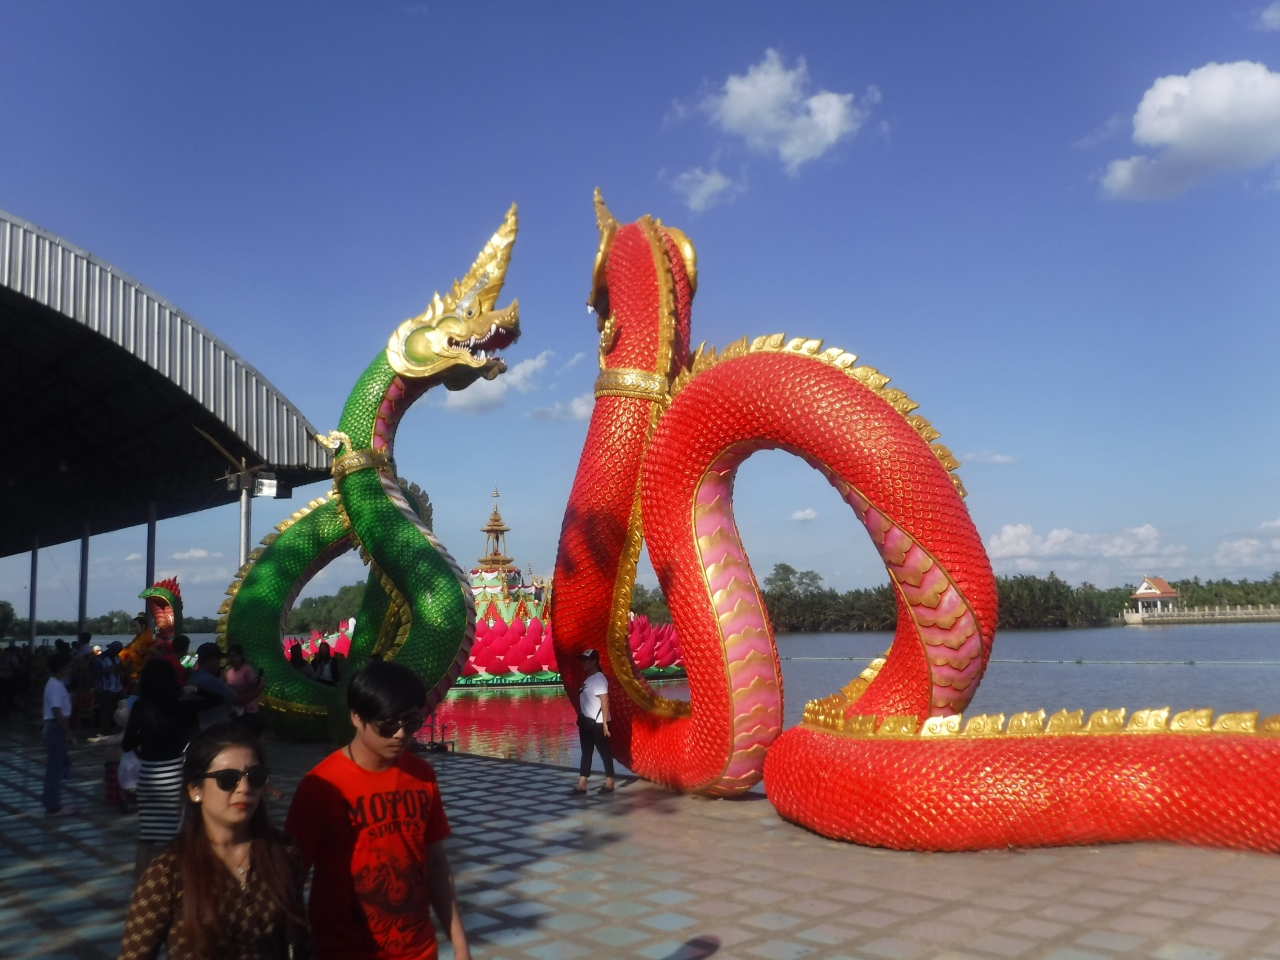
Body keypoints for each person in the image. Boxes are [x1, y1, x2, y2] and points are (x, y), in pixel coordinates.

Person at [286, 661, 468, 960]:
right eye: (388, 724)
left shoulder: (422, 775)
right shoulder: (321, 787)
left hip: (418, 950)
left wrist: (460, 946)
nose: (400, 734)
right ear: (356, 717)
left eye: (411, 722)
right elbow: (291, 876)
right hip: (344, 950)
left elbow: (436, 863)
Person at [119, 723, 309, 960]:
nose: (244, 788)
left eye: (255, 777)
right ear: (195, 789)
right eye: (227, 779)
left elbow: (301, 943)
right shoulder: (168, 872)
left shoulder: (282, 851)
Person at [123, 659, 226, 878]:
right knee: (177, 835)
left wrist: (147, 736)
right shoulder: (181, 707)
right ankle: (175, 884)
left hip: (148, 775)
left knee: (146, 837)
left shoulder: (141, 707)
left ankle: (141, 886)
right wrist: (195, 688)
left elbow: (127, 743)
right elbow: (218, 699)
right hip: (174, 774)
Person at [569, 648, 615, 796]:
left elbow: (605, 700)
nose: (582, 663)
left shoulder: (599, 678)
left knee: (604, 752)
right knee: (586, 752)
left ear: (594, 661)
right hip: (586, 722)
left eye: (585, 660)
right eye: (582, 660)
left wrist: (605, 724)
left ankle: (610, 782)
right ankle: (582, 784)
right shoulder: (588, 679)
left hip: (599, 723)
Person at [190, 643, 262, 730]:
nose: (219, 663)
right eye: (218, 659)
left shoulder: (194, 677)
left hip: (204, 726)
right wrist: (259, 689)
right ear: (211, 660)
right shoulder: (210, 680)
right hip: (214, 728)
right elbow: (239, 701)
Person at [42, 651, 76, 817]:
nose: (70, 669)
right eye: (68, 666)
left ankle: (52, 802)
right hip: (56, 727)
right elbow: (57, 711)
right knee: (55, 769)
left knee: (57, 765)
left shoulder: (56, 684)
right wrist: (68, 732)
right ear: (62, 668)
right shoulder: (55, 685)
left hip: (56, 727)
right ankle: (53, 806)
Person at [224, 644, 263, 737]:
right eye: (229, 656)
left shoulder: (247, 670)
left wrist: (240, 689)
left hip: (249, 709)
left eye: (234, 656)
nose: (231, 659)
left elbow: (253, 686)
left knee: (250, 734)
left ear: (241, 656)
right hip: (235, 708)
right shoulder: (228, 673)